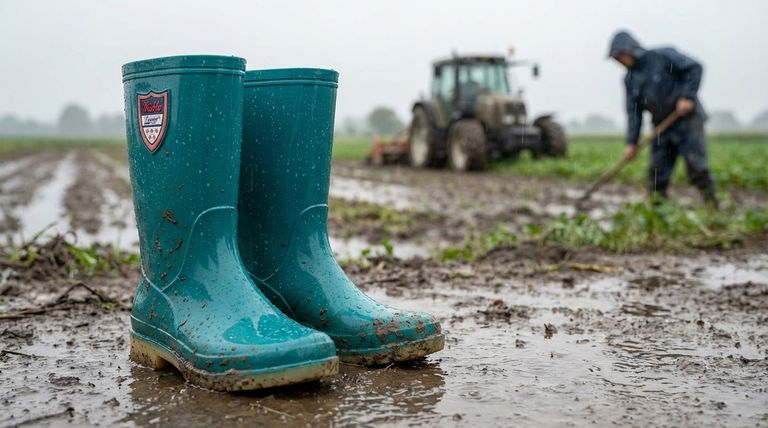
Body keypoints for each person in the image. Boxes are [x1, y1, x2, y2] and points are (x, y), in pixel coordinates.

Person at [608, 30, 718, 207]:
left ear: (629, 50)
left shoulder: (662, 56)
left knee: (697, 167)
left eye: (620, 56)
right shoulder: (630, 80)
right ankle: (658, 213)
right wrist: (631, 142)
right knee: (657, 172)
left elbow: (694, 68)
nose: (619, 61)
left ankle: (713, 208)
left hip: (687, 121)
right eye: (616, 58)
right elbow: (633, 112)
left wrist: (687, 96)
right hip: (662, 127)